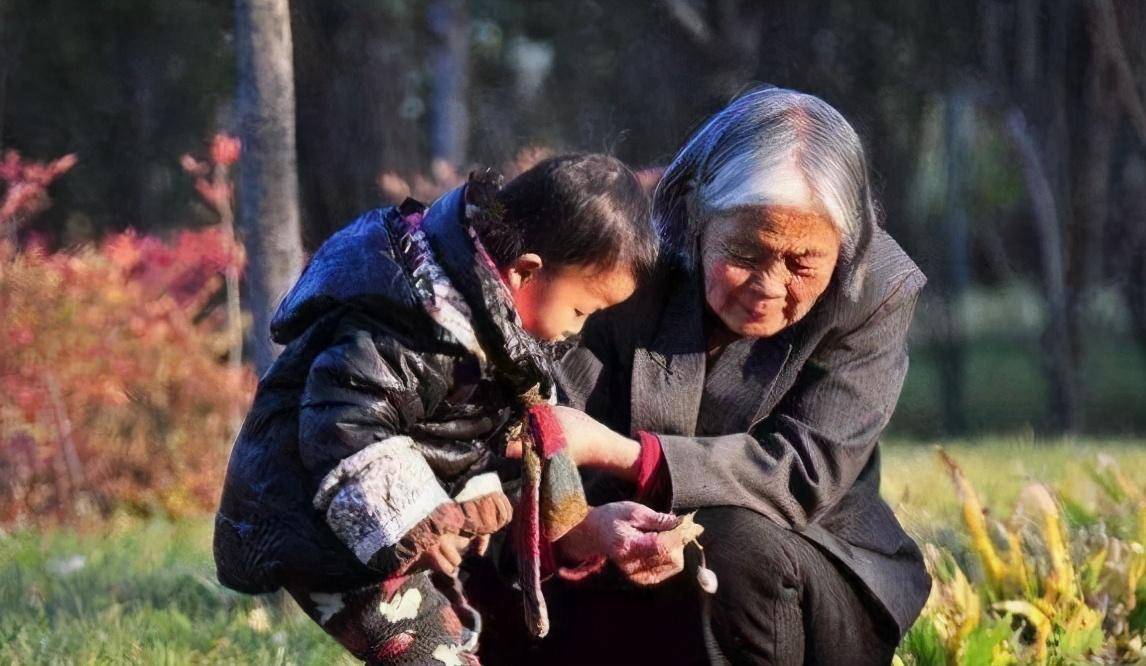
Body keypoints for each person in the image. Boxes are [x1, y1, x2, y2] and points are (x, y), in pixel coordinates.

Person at [481, 88, 931, 665]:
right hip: (599, 545)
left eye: (801, 264)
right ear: (696, 214)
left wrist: (626, 455)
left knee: (729, 541)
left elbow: (802, 472)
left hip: (797, 569)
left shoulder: (874, 291)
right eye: (745, 252)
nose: (769, 286)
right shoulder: (617, 252)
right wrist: (593, 526)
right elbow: (532, 429)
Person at [213, 154, 681, 664]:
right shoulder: (414, 325)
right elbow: (344, 421)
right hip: (326, 524)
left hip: (373, 538)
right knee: (435, 655)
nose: (579, 330)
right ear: (526, 272)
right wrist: (417, 524)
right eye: (579, 310)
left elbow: (466, 436)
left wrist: (482, 497)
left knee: (450, 646)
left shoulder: (498, 336)